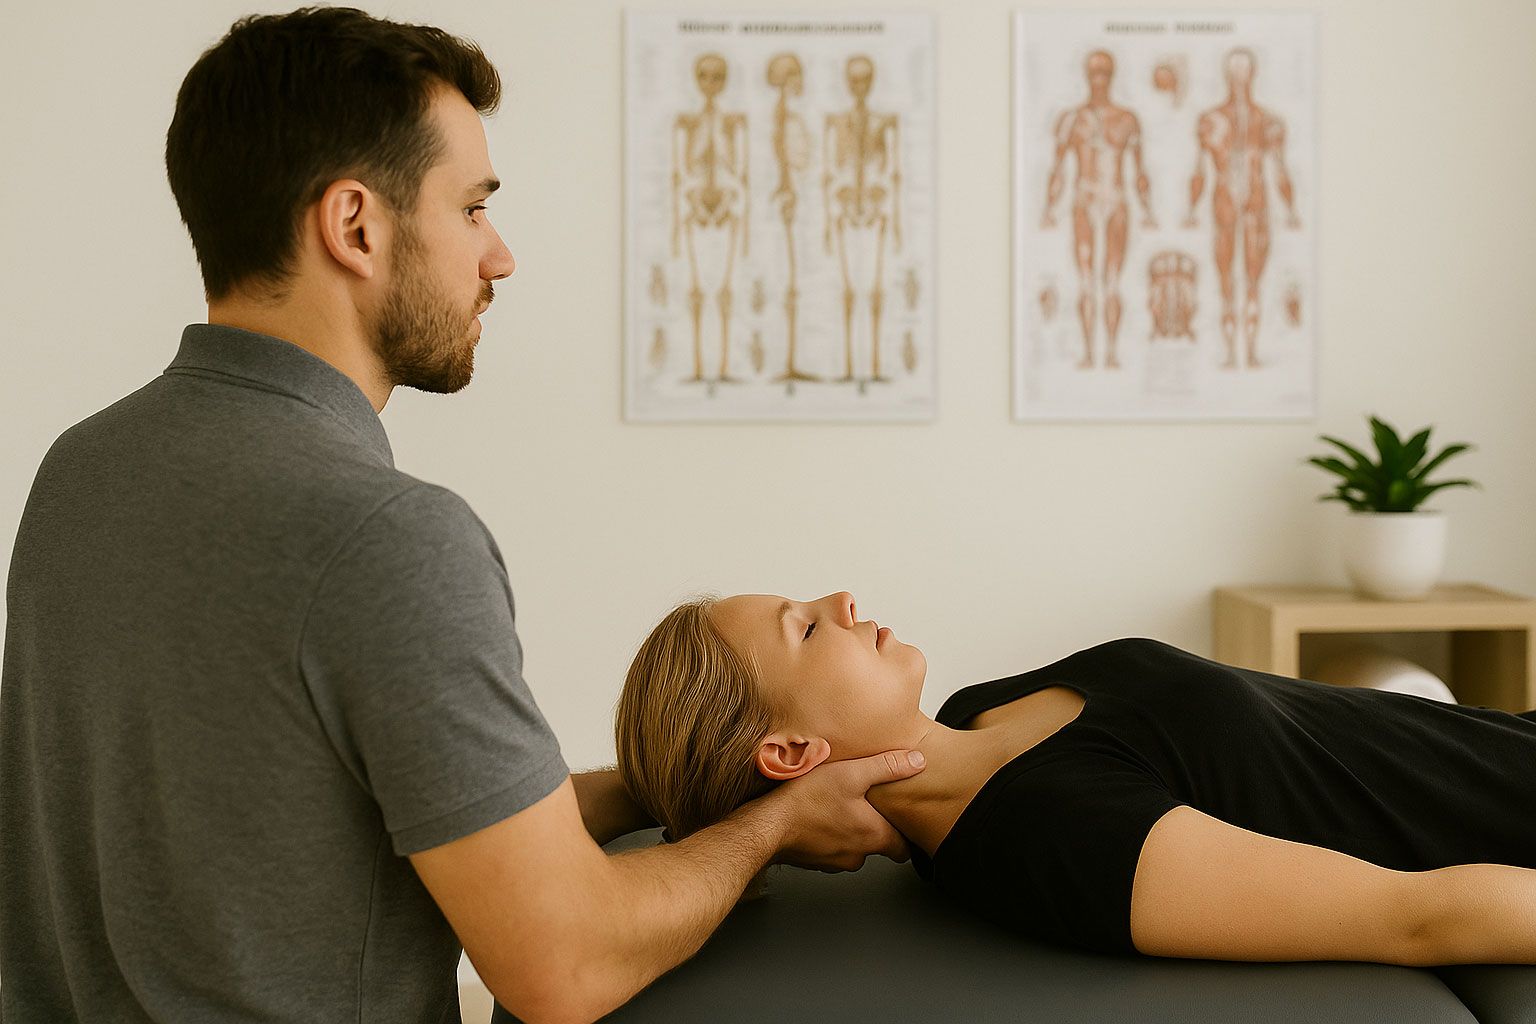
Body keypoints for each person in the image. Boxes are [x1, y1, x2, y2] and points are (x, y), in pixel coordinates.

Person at [0, 11, 924, 1023]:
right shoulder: (385, 538)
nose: (500, 256)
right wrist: (774, 826)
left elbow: (361, 835)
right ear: (355, 225)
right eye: (474, 209)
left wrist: (649, 788)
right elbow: (562, 964)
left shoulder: (82, 474)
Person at [617, 591, 1536, 964]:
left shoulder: (982, 705)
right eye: (807, 629)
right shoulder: (1048, 837)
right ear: (787, 755)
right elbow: (1415, 916)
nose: (842, 602)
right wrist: (760, 824)